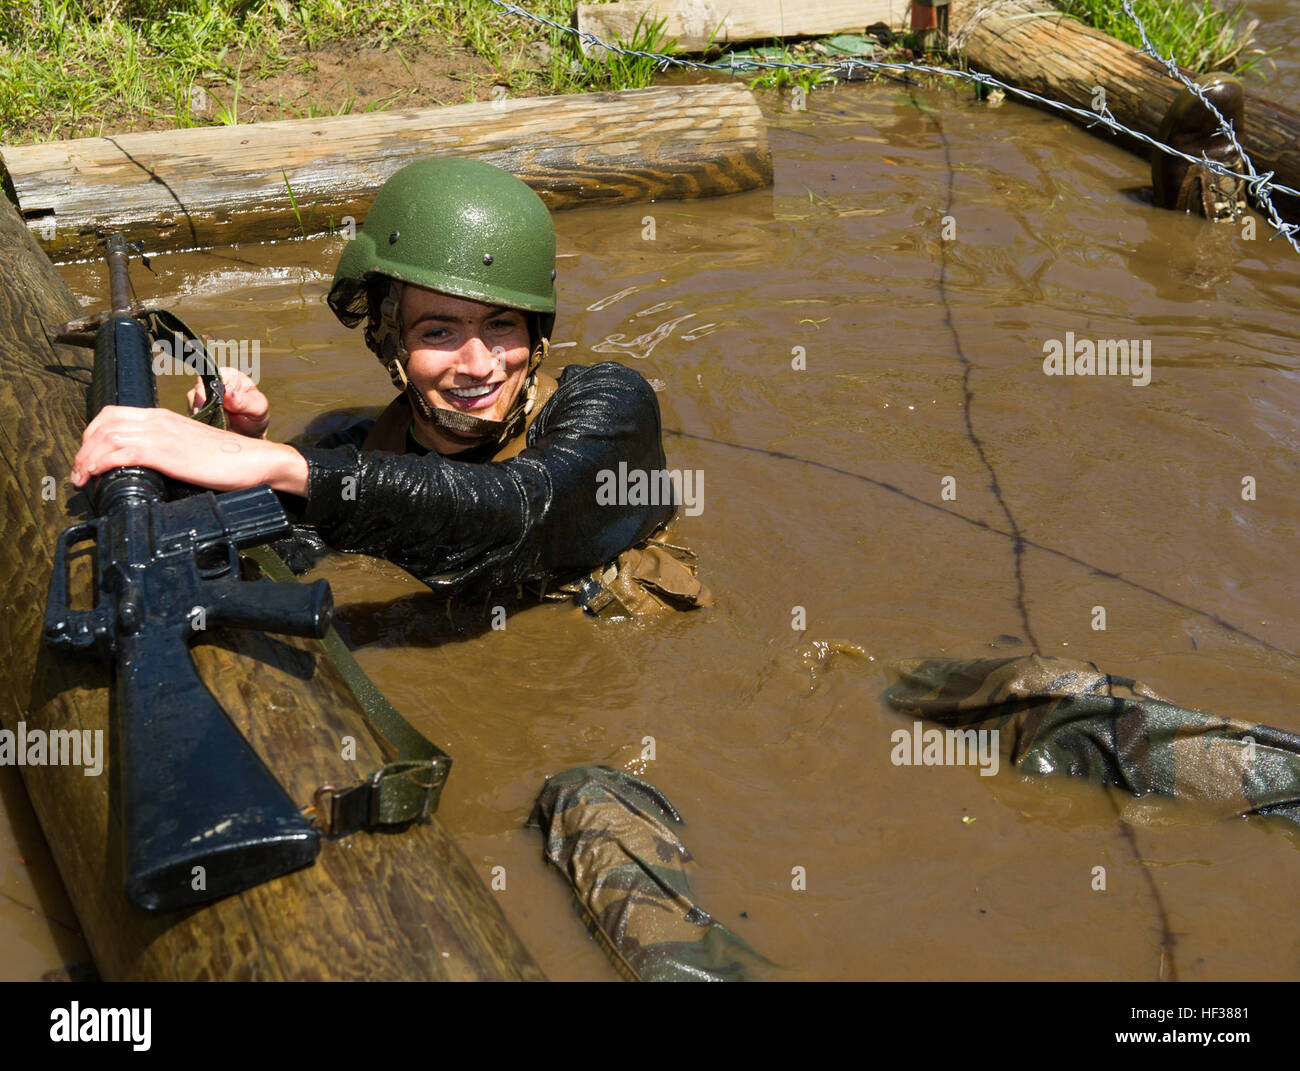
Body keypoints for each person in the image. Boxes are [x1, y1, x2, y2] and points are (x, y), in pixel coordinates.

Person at [70, 158, 709, 613]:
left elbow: (524, 508)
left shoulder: (610, 407)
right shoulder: (354, 445)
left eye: (502, 325)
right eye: (438, 332)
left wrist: (280, 465)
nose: (480, 363)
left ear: (538, 333)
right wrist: (227, 462)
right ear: (389, 340)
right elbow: (259, 570)